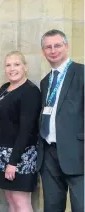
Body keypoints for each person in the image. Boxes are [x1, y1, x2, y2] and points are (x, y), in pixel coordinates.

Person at [0, 51, 41, 212]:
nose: (12, 69)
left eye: (16, 64)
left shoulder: (30, 91)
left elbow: (27, 130)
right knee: (10, 200)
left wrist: (13, 162)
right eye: (8, 65)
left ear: (25, 67)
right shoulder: (5, 88)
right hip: (0, 153)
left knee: (21, 202)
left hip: (20, 157)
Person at [37, 29, 84, 212]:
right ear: (43, 51)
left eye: (57, 45)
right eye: (48, 47)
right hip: (49, 154)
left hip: (78, 154)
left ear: (66, 46)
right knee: (52, 207)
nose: (53, 50)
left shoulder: (81, 72)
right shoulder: (45, 81)